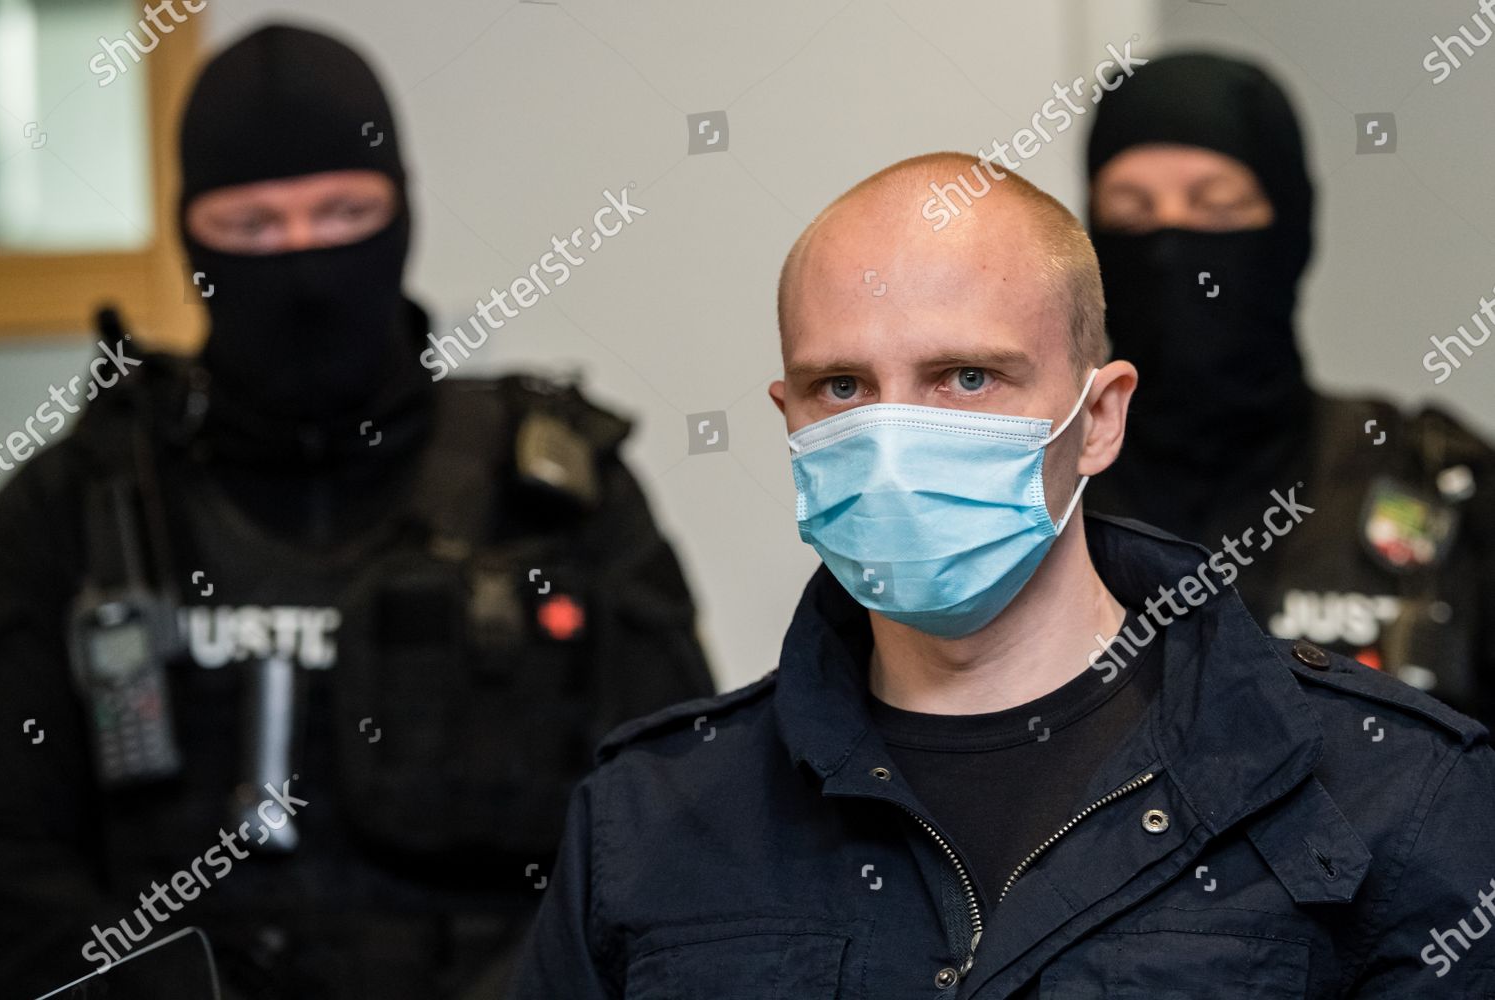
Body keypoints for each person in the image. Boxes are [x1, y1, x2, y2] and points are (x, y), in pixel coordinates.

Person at [509, 152, 1495, 998]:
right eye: (842, 387)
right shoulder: (650, 820)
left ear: (1098, 418)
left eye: (966, 378)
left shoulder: (1385, 793)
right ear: (790, 414)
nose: (893, 440)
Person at [0, 23, 713, 999]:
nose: (301, 261)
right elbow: (9, 861)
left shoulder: (555, 495)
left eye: (342, 213)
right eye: (251, 226)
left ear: (403, 210)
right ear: (188, 231)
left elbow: (679, 830)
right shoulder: (72, 508)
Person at [1083, 52, 1495, 725]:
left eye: (1216, 208)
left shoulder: (1434, 483)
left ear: (1291, 228)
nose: (1169, 247)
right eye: (1130, 216)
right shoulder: (1039, 495)